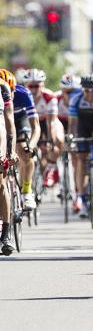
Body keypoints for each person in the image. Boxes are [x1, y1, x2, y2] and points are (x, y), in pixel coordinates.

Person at [68, 73, 93, 219]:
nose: (90, 94)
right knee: (81, 160)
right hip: (83, 126)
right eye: (86, 91)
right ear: (82, 90)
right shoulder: (76, 100)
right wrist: (72, 138)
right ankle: (81, 196)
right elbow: (73, 123)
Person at [24, 68, 64, 189]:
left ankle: (52, 167)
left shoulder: (49, 97)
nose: (34, 89)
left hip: (47, 121)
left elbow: (51, 122)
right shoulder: (21, 95)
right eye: (31, 86)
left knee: (59, 138)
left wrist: (51, 141)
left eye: (37, 86)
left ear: (43, 85)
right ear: (26, 85)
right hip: (29, 123)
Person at [10, 72, 40, 211]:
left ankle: (27, 191)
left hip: (19, 121)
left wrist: (32, 145)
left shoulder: (24, 94)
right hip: (3, 122)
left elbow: (36, 127)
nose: (7, 95)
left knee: (25, 153)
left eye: (10, 91)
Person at [0, 70, 17, 255]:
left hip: (0, 131)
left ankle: (6, 233)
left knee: (1, 182)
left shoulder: (2, 87)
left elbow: (7, 122)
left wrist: (9, 151)